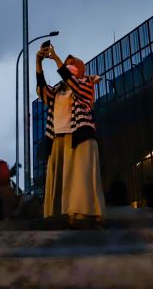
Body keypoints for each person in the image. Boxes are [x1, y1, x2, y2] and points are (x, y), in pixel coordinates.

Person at [35, 42, 106, 227]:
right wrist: (39, 63)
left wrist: (56, 58)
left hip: (80, 135)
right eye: (66, 63)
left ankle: (85, 213)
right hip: (58, 137)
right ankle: (60, 213)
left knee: (80, 177)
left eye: (72, 63)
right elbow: (43, 92)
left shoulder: (85, 84)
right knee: (61, 177)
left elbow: (72, 81)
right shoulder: (58, 91)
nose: (68, 65)